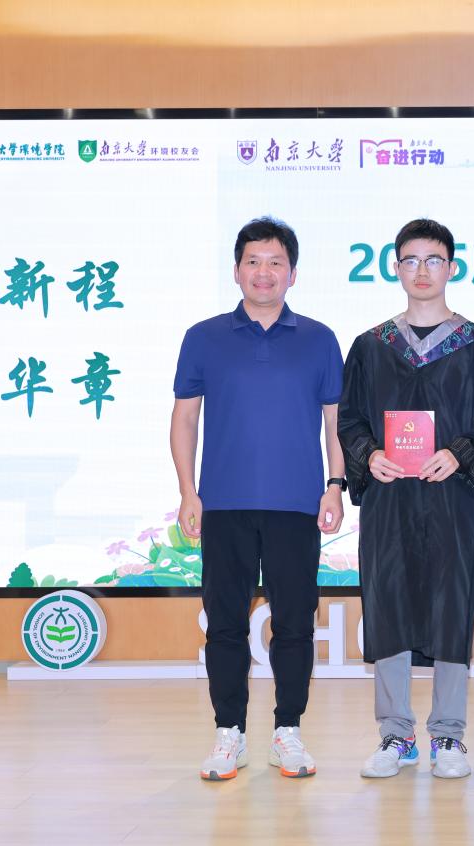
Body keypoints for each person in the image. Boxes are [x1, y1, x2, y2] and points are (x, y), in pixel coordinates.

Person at [338, 219, 474, 780]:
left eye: (433, 260)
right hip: (390, 497)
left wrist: (460, 454)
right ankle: (395, 734)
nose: (422, 270)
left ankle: (448, 735)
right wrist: (368, 454)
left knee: (451, 604)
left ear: (452, 267)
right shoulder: (370, 348)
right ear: (395, 267)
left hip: (452, 498)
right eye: (411, 260)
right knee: (387, 602)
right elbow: (349, 419)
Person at [170, 216, 345, 781]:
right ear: (236, 270)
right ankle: (230, 733)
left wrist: (336, 485)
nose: (263, 272)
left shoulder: (319, 339)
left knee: (294, 622)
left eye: (275, 262)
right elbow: (185, 419)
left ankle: (287, 731)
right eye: (253, 261)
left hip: (297, 505)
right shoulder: (204, 337)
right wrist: (188, 491)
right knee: (225, 623)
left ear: (293, 273)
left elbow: (335, 421)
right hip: (224, 504)